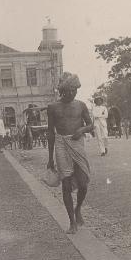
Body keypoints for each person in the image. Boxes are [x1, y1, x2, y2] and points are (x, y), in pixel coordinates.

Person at [47, 72, 94, 234]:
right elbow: (50, 133)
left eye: (74, 90)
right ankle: (72, 222)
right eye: (69, 90)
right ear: (62, 90)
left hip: (77, 143)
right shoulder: (53, 107)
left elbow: (91, 125)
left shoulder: (81, 105)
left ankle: (78, 208)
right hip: (61, 144)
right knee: (66, 184)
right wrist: (49, 159)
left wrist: (81, 129)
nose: (72, 93)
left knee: (83, 183)